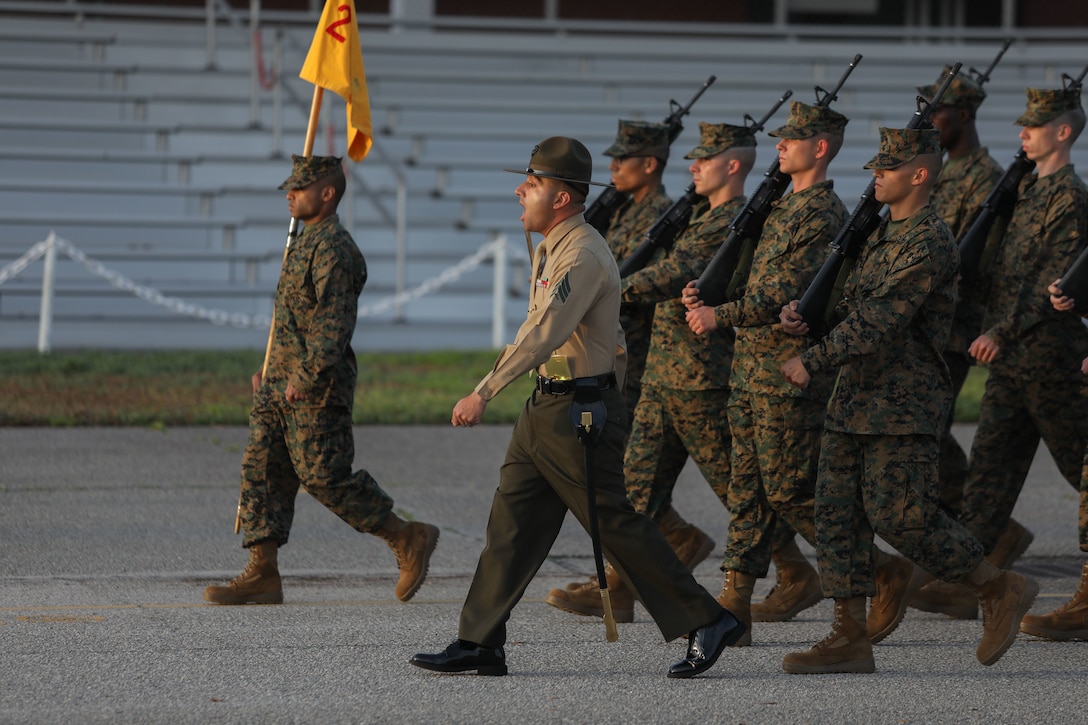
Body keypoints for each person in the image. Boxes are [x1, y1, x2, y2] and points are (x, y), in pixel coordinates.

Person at [409, 137, 743, 679]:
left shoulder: (583, 253)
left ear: (562, 199)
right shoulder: (553, 246)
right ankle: (481, 641)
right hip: (548, 405)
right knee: (510, 525)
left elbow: (545, 331)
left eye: (533, 183)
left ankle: (706, 620)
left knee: (612, 522)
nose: (520, 190)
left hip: (577, 414)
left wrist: (483, 390)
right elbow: (541, 329)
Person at [777, 127, 1038, 674]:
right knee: (836, 517)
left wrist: (813, 359)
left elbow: (881, 320)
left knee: (904, 517)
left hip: (903, 402)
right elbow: (851, 307)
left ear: (919, 174)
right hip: (854, 398)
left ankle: (997, 586)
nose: (876, 175)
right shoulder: (877, 235)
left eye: (887, 168)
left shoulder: (929, 240)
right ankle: (848, 635)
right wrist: (806, 319)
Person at [544, 122, 758, 625]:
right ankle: (620, 586)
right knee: (632, 487)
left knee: (744, 489)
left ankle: (801, 572)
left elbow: (670, 273)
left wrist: (600, 287)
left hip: (699, 374)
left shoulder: (727, 220)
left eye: (704, 158)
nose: (693, 165)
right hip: (668, 371)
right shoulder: (695, 216)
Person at [203, 155, 439, 606]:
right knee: (262, 468)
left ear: (327, 194)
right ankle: (262, 571)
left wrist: (306, 375)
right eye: (289, 188)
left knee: (323, 475)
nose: (290, 194)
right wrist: (269, 364)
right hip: (279, 380)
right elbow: (292, 319)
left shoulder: (334, 248)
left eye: (300, 187)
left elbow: (333, 324)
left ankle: (407, 536)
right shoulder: (302, 242)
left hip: (315, 383)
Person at [681, 101, 857, 642]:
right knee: (748, 488)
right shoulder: (780, 206)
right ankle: (734, 605)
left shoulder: (823, 214)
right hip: (749, 370)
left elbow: (785, 294)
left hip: (784, 372)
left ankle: (869, 568)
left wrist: (720, 314)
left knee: (787, 490)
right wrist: (709, 292)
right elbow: (751, 280)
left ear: (820, 148)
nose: (779, 145)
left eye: (792, 139)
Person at [911, 71, 1034, 621]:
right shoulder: (937, 171)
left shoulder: (985, 176)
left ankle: (987, 532)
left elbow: (980, 259)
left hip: (961, 326)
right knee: (923, 431)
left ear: (963, 114)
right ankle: (982, 528)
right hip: (928, 321)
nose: (930, 119)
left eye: (938, 111)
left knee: (926, 430)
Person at [956, 85, 1088, 580]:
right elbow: (1006, 271)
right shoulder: (1027, 189)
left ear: (1062, 131)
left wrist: (1001, 333)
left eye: (1032, 126)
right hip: (1013, 362)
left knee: (1080, 464)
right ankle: (965, 575)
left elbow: (1054, 281)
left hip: (1050, 357)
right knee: (988, 473)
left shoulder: (1070, 197)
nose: (1022, 134)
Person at [602, 119, 713, 562]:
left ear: (649, 164)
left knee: (627, 467)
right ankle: (677, 539)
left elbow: (653, 284)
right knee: (630, 468)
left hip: (640, 353)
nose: (613, 165)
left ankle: (638, 564)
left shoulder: (664, 215)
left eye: (622, 158)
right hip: (613, 348)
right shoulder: (625, 210)